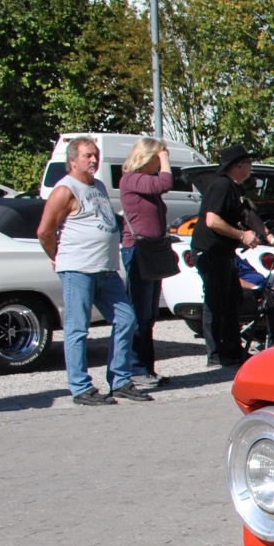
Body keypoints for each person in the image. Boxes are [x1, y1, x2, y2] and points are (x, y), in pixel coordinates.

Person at [34, 137, 145, 405]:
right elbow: (45, 231)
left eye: (96, 155)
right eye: (88, 156)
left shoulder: (98, 186)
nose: (94, 160)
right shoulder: (65, 190)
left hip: (106, 270)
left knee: (126, 319)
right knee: (77, 329)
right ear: (73, 161)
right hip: (78, 269)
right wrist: (57, 257)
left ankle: (120, 380)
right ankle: (80, 387)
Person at [191, 145, 267, 368]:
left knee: (233, 299)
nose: (251, 167)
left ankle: (233, 350)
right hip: (209, 251)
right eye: (249, 163)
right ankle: (215, 354)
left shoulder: (236, 188)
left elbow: (248, 215)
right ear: (238, 165)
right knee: (216, 302)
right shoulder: (222, 185)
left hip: (224, 252)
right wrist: (242, 235)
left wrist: (268, 235)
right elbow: (212, 220)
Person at [117, 137, 173, 388]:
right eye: (157, 157)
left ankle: (146, 368)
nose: (160, 162)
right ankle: (135, 369)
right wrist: (164, 157)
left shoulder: (143, 181)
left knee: (149, 313)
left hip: (153, 250)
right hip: (138, 250)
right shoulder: (131, 179)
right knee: (139, 312)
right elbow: (165, 183)